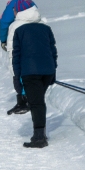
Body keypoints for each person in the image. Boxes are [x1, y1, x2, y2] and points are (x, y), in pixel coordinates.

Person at [12, 16, 57, 148]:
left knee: (36, 103)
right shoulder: (46, 29)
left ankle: (39, 138)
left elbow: (16, 56)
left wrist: (17, 76)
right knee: (37, 101)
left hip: (30, 72)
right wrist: (53, 70)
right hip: (47, 71)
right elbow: (53, 50)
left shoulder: (19, 31)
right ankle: (40, 134)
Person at [0, 0, 40, 115]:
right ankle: (27, 98)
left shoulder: (13, 4)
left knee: (17, 69)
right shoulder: (32, 4)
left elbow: (4, 22)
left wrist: (3, 39)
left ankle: (23, 99)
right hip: (33, 42)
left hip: (17, 41)